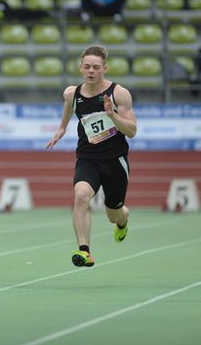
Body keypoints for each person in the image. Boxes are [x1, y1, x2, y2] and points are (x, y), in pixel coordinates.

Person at [46, 45, 137, 268]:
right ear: (80, 68)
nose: (91, 71)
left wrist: (112, 115)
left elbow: (132, 131)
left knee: (114, 213)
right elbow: (69, 105)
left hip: (115, 161)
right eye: (87, 67)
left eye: (96, 67)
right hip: (88, 158)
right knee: (81, 196)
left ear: (104, 68)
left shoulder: (119, 93)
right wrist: (62, 128)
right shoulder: (72, 93)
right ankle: (84, 251)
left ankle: (123, 221)